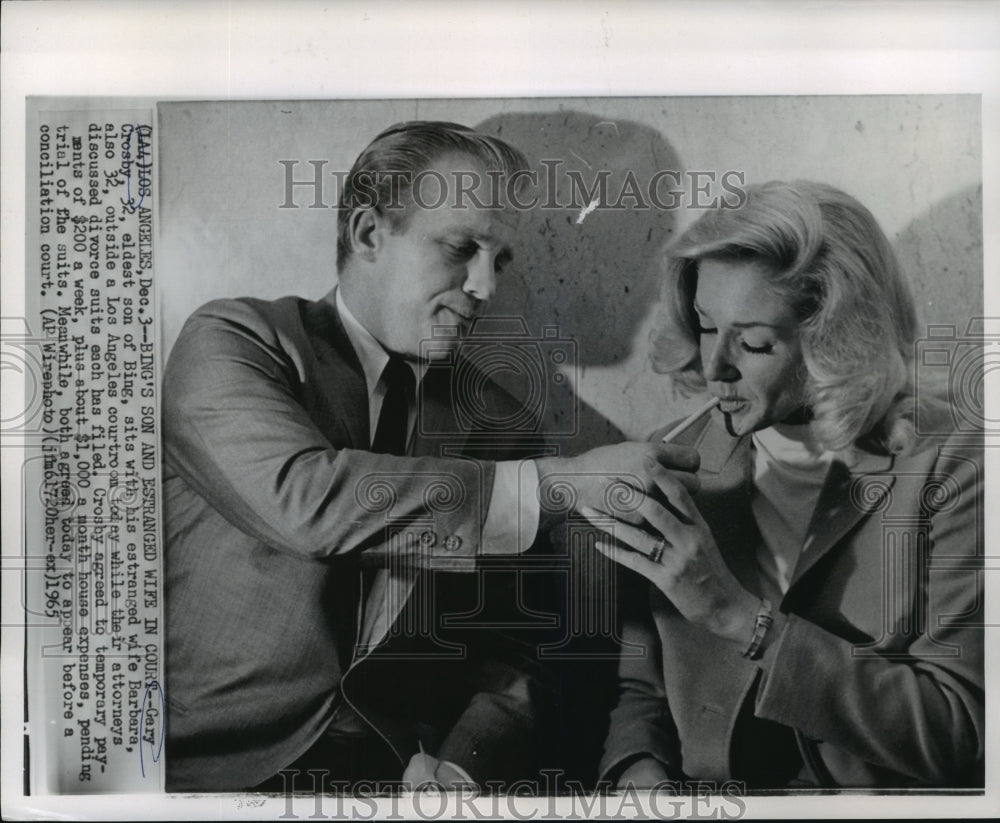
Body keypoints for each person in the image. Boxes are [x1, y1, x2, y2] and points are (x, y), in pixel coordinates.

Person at [162, 121, 697, 792]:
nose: (485, 287)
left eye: (498, 259)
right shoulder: (236, 340)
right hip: (202, 775)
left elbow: (519, 644)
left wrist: (464, 757)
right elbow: (307, 500)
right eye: (459, 247)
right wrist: (561, 484)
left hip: (397, 781)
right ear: (367, 234)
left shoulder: (503, 422)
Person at [594, 180, 984, 789]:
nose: (714, 367)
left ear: (834, 339)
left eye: (753, 342)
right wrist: (637, 770)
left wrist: (739, 617)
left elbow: (959, 734)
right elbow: (642, 689)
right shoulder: (677, 455)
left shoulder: (954, 463)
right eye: (703, 326)